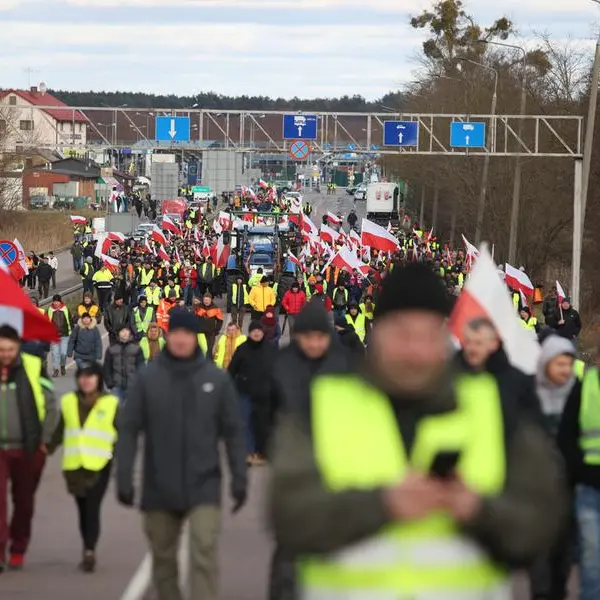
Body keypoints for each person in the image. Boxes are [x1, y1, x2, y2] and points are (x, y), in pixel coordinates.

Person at [268, 263, 568, 600]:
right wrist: (380, 505)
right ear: (376, 332)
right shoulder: (324, 405)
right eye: (402, 334)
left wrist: (480, 511)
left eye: (428, 336)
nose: (415, 350)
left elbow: (543, 519)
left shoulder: (492, 407)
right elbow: (287, 513)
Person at [116, 309, 247, 600]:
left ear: (194, 337)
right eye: (175, 333)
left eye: (187, 333)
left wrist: (240, 477)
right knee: (163, 560)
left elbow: (234, 432)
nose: (181, 339)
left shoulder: (216, 379)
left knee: (204, 553)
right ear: (168, 335)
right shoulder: (148, 379)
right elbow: (128, 429)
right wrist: (123, 476)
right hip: (159, 485)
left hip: (204, 483)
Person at [268, 300, 354, 600]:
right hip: (293, 472)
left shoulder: (345, 366)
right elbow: (267, 410)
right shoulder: (281, 366)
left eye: (321, 336)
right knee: (289, 550)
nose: (315, 343)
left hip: (335, 469)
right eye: (309, 336)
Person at [48, 362, 118, 573]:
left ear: (99, 379)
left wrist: (113, 456)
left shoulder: (111, 403)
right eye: (82, 376)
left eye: (91, 376)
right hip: (75, 466)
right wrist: (45, 449)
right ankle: (87, 545)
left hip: (100, 466)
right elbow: (60, 430)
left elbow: (122, 433)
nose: (86, 380)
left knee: (92, 508)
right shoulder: (69, 401)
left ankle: (89, 550)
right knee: (82, 509)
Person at [527, 335, 579, 600]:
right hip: (537, 491)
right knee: (540, 556)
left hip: (569, 487)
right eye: (559, 364)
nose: (565, 371)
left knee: (564, 553)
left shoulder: (578, 393)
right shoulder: (530, 394)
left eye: (568, 365)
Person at [0, 325, 56, 572]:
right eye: (1, 349)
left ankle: (18, 548)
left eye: (10, 349)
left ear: (18, 347)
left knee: (24, 503)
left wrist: (44, 440)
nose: (6, 354)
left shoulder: (33, 366)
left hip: (28, 447)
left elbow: (51, 407)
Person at [458, 317, 541, 419]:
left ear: (494, 344)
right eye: (468, 342)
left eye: (478, 343)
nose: (472, 348)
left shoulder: (518, 383)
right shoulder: (449, 378)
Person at [228, 321, 278, 465]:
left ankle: (262, 451)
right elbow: (232, 370)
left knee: (263, 423)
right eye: (253, 331)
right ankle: (248, 452)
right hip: (245, 392)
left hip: (265, 393)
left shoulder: (270, 349)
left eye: (259, 331)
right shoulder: (242, 349)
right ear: (249, 333)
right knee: (246, 422)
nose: (256, 333)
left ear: (263, 333)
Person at [103, 326, 143, 407]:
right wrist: (110, 383)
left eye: (126, 331)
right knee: (117, 411)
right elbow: (107, 367)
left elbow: (141, 368)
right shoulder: (111, 349)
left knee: (132, 411)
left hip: (132, 386)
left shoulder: (137, 349)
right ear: (118, 333)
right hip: (116, 385)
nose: (125, 333)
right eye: (122, 331)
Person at [47, 294, 71, 377]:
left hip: (64, 335)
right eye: (54, 301)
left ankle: (62, 365)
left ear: (60, 302)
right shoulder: (49, 310)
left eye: (57, 301)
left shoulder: (65, 309)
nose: (56, 303)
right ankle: (56, 369)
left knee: (63, 353)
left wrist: (71, 332)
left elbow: (70, 321)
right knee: (55, 353)